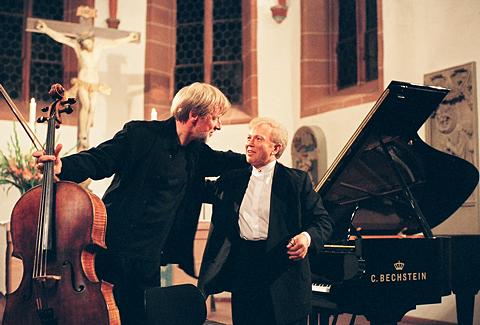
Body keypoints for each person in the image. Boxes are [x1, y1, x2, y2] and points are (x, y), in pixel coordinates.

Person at [34, 82, 247, 325]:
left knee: (140, 318)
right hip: (112, 249)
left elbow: (233, 162)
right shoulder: (141, 135)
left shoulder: (197, 153)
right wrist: (64, 166)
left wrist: (261, 155)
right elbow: (100, 159)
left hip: (150, 258)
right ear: (194, 114)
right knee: (101, 316)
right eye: (215, 117)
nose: (218, 125)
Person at [198, 117, 333, 325]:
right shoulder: (232, 179)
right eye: (249, 137)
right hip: (244, 266)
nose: (249, 143)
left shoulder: (296, 181)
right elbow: (194, 190)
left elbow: (322, 221)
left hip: (282, 268)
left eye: (258, 138)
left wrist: (306, 238)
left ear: (275, 148)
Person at [35, 19, 139, 151]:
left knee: (92, 109)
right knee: (86, 105)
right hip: (83, 82)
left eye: (88, 41)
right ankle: (82, 135)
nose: (87, 44)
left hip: (94, 83)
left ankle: (87, 135)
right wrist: (46, 29)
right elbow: (62, 38)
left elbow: (114, 43)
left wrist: (128, 38)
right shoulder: (79, 48)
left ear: (92, 40)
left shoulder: (98, 48)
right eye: (84, 42)